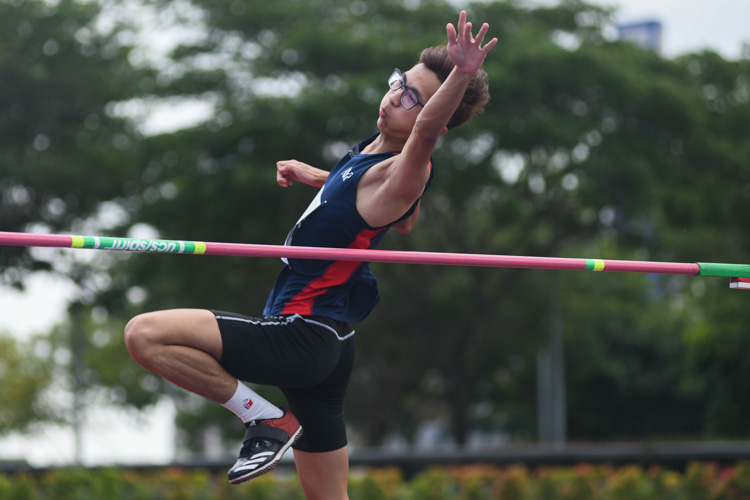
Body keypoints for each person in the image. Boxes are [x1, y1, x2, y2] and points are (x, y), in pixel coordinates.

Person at [124, 11, 496, 500]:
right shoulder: (375, 153)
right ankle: (273, 419)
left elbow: (422, 139)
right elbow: (397, 217)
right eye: (398, 84)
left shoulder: (409, 167)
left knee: (145, 335)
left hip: (301, 333)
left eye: (412, 100)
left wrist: (463, 75)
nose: (393, 98)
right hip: (332, 343)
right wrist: (317, 175)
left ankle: (265, 418)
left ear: (436, 122)